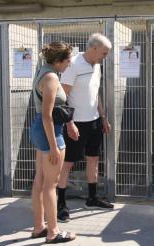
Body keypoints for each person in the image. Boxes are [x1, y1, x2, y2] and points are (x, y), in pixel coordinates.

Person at [56, 33, 113, 222]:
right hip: (76, 123)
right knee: (68, 164)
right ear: (93, 48)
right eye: (104, 53)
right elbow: (62, 98)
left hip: (94, 121)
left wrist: (103, 117)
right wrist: (69, 123)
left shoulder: (96, 65)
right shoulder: (73, 65)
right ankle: (61, 205)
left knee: (93, 159)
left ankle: (92, 198)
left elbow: (95, 93)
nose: (105, 57)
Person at [29, 41, 76, 243]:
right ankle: (53, 232)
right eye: (68, 61)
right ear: (58, 61)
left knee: (40, 180)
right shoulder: (49, 77)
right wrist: (54, 147)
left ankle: (39, 227)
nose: (69, 64)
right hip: (49, 130)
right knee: (51, 184)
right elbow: (48, 116)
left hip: (42, 129)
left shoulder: (44, 71)